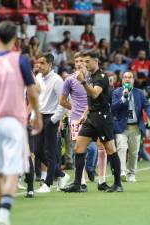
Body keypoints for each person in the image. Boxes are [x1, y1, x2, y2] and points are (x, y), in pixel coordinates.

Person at [0, 20, 43, 225]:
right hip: (14, 122)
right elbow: (32, 92)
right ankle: (4, 213)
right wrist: (37, 116)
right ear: (14, 39)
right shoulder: (19, 60)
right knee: (13, 170)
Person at [63, 51, 123, 193]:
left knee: (110, 150)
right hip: (91, 117)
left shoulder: (102, 77)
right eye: (83, 61)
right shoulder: (90, 76)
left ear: (96, 61)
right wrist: (86, 113)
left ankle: (118, 184)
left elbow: (95, 93)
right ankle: (78, 184)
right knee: (79, 147)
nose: (84, 63)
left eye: (87, 61)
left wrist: (82, 81)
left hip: (103, 118)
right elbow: (92, 100)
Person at [60, 52, 99, 192]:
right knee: (78, 150)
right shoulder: (69, 80)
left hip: (93, 116)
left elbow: (97, 97)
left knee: (94, 148)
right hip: (76, 119)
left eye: (82, 60)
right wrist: (74, 109)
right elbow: (62, 101)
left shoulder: (94, 78)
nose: (79, 63)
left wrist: (88, 111)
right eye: (76, 61)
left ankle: (90, 168)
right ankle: (81, 182)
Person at [34, 53, 70, 193]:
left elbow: (63, 102)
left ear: (50, 64)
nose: (39, 66)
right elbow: (35, 99)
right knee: (37, 151)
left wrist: (54, 119)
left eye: (42, 63)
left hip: (51, 117)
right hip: (39, 116)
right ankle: (61, 175)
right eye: (38, 63)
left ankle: (47, 184)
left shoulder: (58, 80)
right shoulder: (38, 77)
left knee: (50, 151)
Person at [111, 71, 150, 183]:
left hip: (135, 126)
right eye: (125, 77)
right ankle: (122, 172)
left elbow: (147, 106)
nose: (127, 79)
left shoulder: (139, 93)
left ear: (133, 80)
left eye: (129, 77)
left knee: (134, 152)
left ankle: (131, 173)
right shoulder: (116, 92)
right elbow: (113, 108)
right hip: (121, 126)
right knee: (121, 148)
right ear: (122, 80)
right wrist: (123, 98)